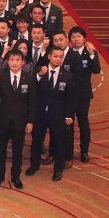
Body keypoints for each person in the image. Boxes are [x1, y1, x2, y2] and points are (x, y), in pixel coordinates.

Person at [26, 46, 75, 182]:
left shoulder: (68, 75)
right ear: (49, 56)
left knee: (59, 142)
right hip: (40, 113)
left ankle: (58, 169)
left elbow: (70, 98)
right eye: (55, 56)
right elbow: (32, 88)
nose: (58, 59)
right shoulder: (39, 70)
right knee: (36, 141)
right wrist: (40, 75)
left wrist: (69, 116)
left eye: (61, 57)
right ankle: (34, 165)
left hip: (58, 114)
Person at [0, 49, 36, 189]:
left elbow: (33, 102)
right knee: (1, 149)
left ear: (23, 62)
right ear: (7, 62)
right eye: (12, 60)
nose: (14, 63)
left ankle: (15, 176)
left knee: (17, 150)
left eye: (17, 60)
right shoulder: (2, 77)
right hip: (3, 120)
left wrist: (30, 121)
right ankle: (0, 175)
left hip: (20, 120)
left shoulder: (29, 78)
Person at [67, 26, 101, 163]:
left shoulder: (90, 53)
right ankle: (67, 151)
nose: (76, 39)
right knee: (68, 123)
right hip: (68, 95)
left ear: (85, 39)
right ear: (70, 40)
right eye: (73, 37)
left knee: (83, 123)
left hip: (83, 94)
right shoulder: (67, 53)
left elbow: (97, 70)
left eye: (79, 36)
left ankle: (84, 151)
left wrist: (92, 54)